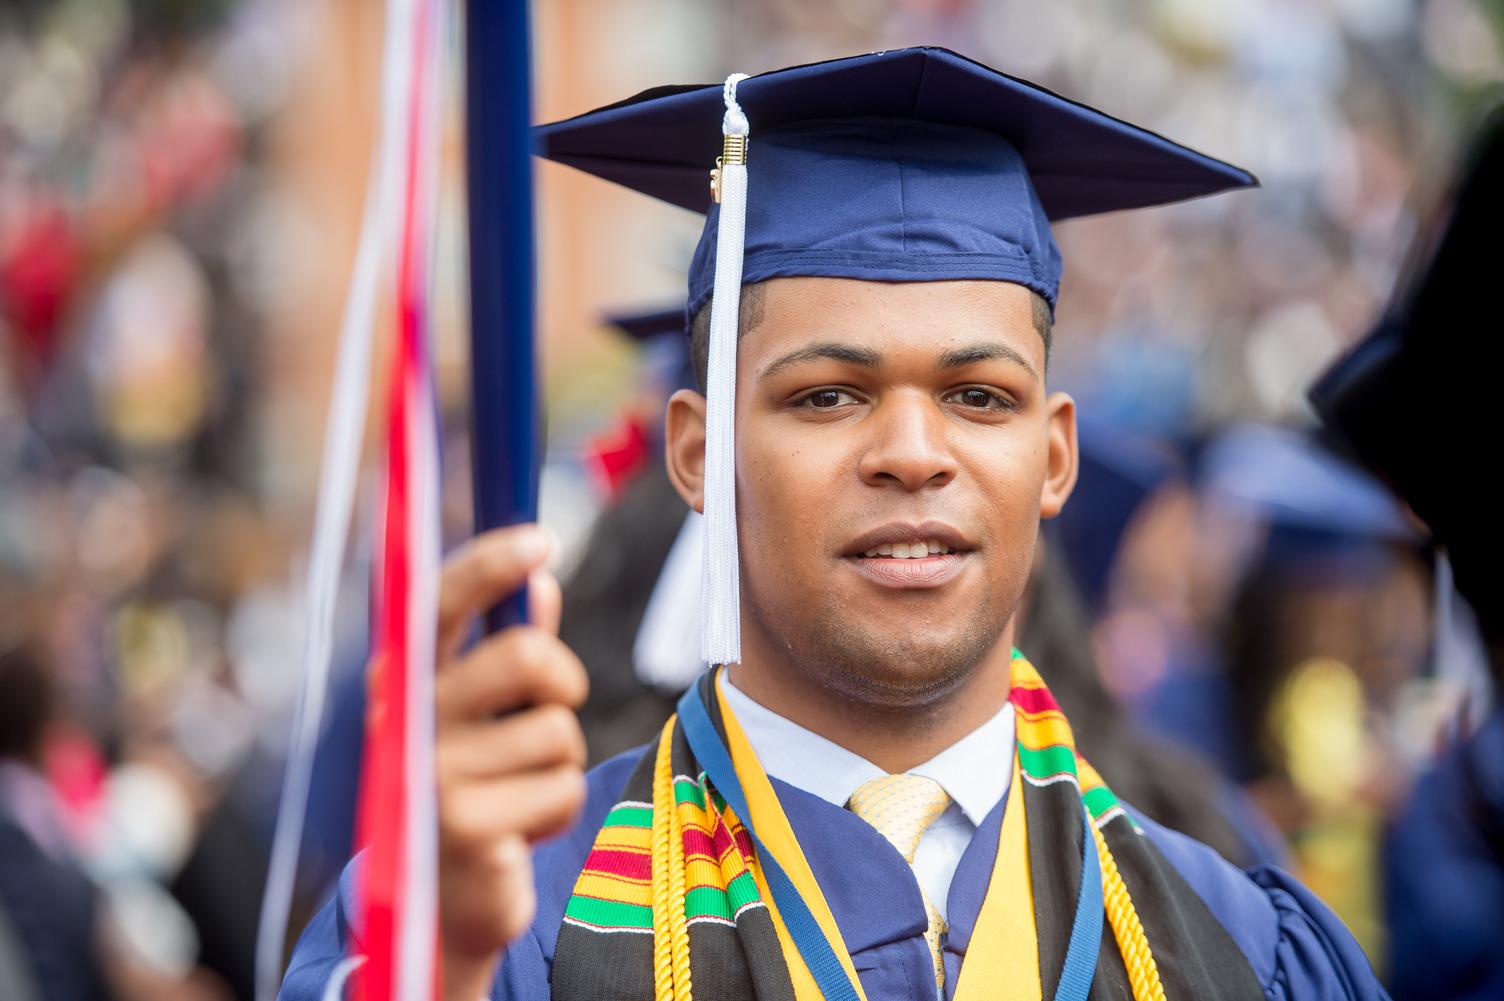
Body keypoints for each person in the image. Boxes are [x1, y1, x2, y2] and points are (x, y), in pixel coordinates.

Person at [283, 48, 1385, 1000]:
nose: (912, 450)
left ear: (1054, 457)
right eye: (827, 394)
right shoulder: (508, 913)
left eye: (979, 397)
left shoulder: (1234, 937)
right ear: (698, 453)